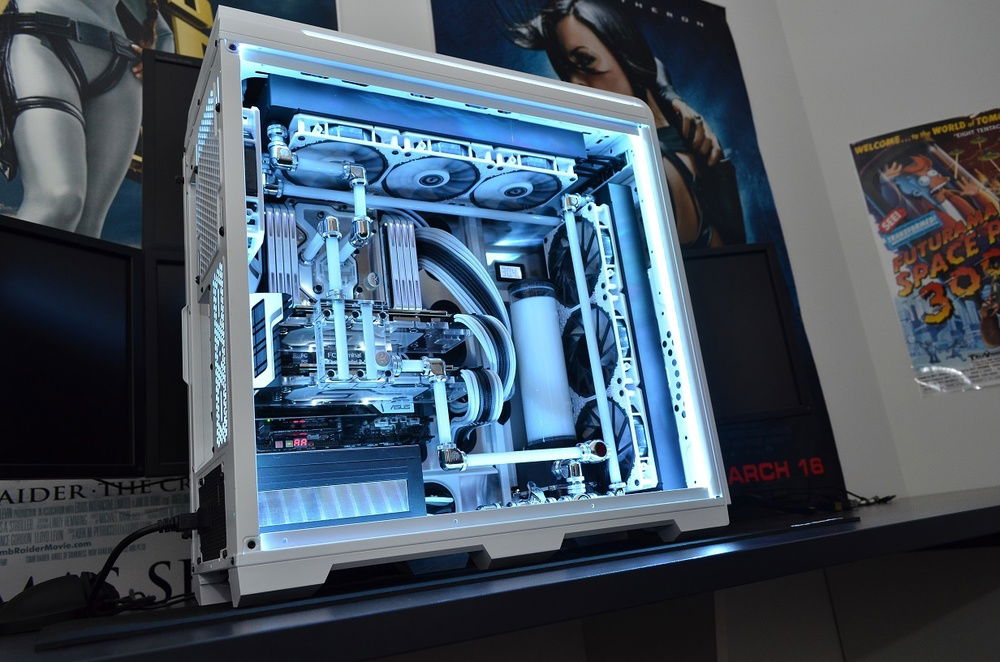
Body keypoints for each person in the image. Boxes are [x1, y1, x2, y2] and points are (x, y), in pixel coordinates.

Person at [505, 0, 744, 248]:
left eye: (586, 61)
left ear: (627, 54)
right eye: (565, 71)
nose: (575, 84)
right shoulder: (668, 125)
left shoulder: (652, 167)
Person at [0, 0, 173, 238]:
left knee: (88, 229)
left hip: (122, 68)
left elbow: (162, 32)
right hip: (41, 39)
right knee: (58, 199)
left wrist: (157, 62)